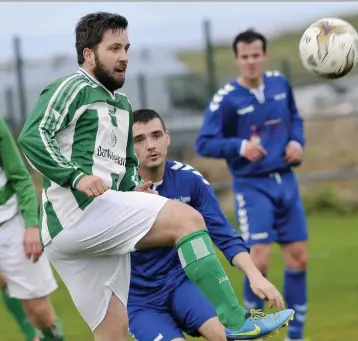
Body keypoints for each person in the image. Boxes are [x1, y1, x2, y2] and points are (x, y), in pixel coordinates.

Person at [17, 12, 295, 341]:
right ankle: (235, 320)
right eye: (114, 48)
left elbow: (122, 164)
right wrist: (75, 177)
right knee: (186, 219)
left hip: (79, 235)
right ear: (88, 54)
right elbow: (33, 136)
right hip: (76, 215)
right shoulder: (74, 87)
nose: (123, 57)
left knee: (114, 334)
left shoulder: (121, 104)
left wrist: (135, 187)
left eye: (127, 48)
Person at [128, 109, 294, 341]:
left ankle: (238, 321)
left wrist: (255, 276)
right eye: (139, 139)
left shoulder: (189, 180)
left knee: (227, 335)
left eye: (156, 136)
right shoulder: (120, 189)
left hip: (182, 285)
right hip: (138, 299)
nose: (150, 145)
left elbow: (224, 234)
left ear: (167, 137)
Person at [195, 29, 308, 341]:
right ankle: (251, 331)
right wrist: (240, 146)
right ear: (236, 59)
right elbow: (204, 142)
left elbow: (296, 119)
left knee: (299, 257)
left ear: (264, 55)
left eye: (255, 55)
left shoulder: (280, 85)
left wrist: (297, 142)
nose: (250, 61)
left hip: (286, 180)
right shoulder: (227, 99)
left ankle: (295, 335)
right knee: (258, 258)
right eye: (244, 57)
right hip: (252, 185)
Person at [0, 106, 65, 341]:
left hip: (9, 224)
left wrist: (31, 226)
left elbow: (20, 177)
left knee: (40, 314)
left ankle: (46, 335)